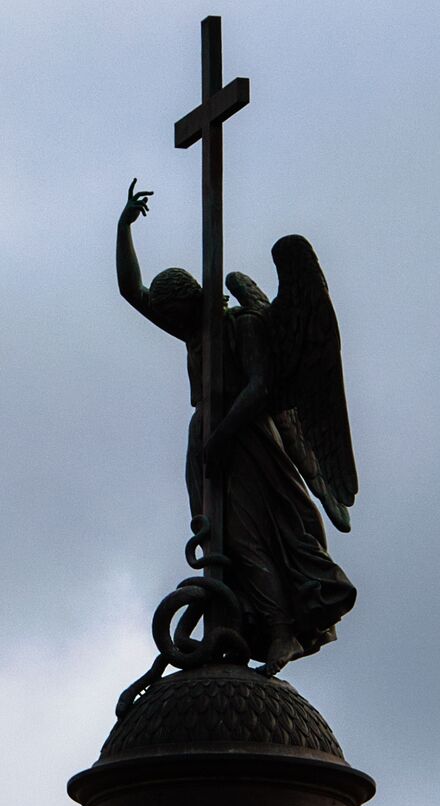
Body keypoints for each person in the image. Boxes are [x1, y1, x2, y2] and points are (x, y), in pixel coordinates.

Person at [115, 180, 355, 674]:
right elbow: (131, 292)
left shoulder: (242, 325)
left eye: (176, 316)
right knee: (214, 535)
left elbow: (261, 387)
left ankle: (282, 629)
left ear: (193, 301)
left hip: (245, 436)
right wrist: (123, 230)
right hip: (205, 434)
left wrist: (223, 436)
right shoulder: (192, 331)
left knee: (249, 535)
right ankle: (235, 618)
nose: (172, 327)